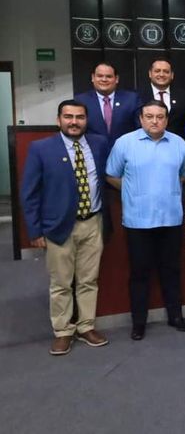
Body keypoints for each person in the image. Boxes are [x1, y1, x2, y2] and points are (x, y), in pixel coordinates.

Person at [21, 100, 110, 355]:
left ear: (86, 119)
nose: (74, 122)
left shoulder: (99, 144)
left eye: (79, 117)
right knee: (60, 282)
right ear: (59, 119)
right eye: (68, 117)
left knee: (88, 280)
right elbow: (30, 193)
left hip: (93, 222)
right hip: (59, 226)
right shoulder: (41, 148)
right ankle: (62, 331)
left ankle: (85, 326)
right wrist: (35, 231)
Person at [106, 99, 185, 340]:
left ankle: (176, 316)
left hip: (171, 218)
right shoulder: (125, 143)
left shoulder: (179, 144)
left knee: (172, 271)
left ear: (166, 119)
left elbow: (183, 175)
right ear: (141, 118)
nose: (155, 121)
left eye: (160, 116)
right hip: (138, 220)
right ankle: (139, 323)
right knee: (139, 274)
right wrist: (133, 190)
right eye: (150, 116)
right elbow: (111, 174)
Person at [74, 62, 141, 145]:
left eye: (108, 76)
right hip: (93, 152)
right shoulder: (81, 100)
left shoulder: (131, 99)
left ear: (116, 79)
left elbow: (139, 128)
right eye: (100, 76)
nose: (104, 79)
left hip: (125, 150)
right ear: (93, 78)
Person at [138, 57, 185, 139]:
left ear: (172, 75)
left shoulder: (184, 97)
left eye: (166, 72)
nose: (161, 74)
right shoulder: (138, 96)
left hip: (175, 145)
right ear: (150, 74)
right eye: (157, 71)